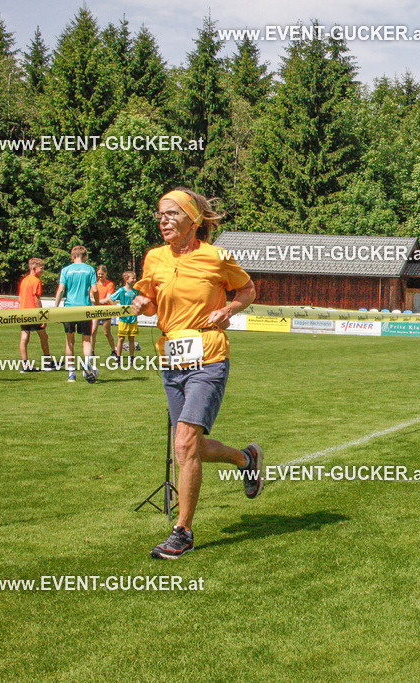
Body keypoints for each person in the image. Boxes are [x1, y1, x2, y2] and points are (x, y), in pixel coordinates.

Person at [131, 188, 263, 559]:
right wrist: (141, 303)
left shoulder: (216, 257)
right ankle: (245, 459)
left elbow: (248, 289)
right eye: (160, 214)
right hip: (171, 359)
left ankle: (183, 532)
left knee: (185, 443)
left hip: (208, 356)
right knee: (188, 446)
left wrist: (229, 310)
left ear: (193, 219)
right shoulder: (154, 258)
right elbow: (150, 303)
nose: (163, 220)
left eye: (172, 214)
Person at [54, 245, 99, 383]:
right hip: (84, 309)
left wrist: (55, 308)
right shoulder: (90, 269)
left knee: (70, 340)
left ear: (72, 256)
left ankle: (71, 373)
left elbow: (61, 290)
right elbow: (95, 290)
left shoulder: (66, 270)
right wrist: (96, 305)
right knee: (86, 339)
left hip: (69, 309)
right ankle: (86, 365)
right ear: (85, 256)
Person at [18, 257, 56, 372]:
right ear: (34, 268)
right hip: (34, 312)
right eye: (41, 268)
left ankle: (25, 364)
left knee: (24, 337)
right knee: (44, 335)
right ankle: (48, 362)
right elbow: (36, 298)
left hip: (23, 313)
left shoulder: (24, 280)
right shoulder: (36, 281)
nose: (43, 270)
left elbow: (20, 298)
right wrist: (42, 315)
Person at [107, 271, 139, 358]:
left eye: (135, 278)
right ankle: (118, 357)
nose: (134, 280)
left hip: (133, 319)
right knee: (121, 338)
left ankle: (132, 357)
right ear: (126, 279)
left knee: (132, 339)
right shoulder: (121, 290)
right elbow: (110, 299)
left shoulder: (136, 292)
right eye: (133, 278)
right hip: (123, 319)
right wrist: (117, 310)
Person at [91, 265, 118, 359]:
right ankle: (92, 352)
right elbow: (91, 297)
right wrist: (97, 302)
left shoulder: (110, 284)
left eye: (102, 274)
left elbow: (108, 297)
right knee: (93, 331)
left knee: (107, 332)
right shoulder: (95, 284)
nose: (100, 276)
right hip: (96, 310)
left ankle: (113, 350)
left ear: (106, 273)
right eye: (98, 274)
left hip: (106, 310)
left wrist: (100, 301)